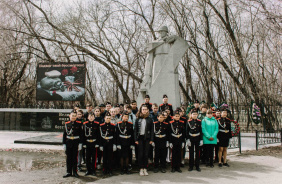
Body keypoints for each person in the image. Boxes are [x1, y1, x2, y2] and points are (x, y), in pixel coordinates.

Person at [134, 104, 154, 176]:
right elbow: (135, 130)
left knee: (146, 154)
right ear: (141, 110)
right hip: (140, 138)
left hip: (147, 138)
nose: (144, 111)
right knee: (140, 154)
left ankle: (145, 168)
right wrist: (135, 139)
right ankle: (141, 168)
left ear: (148, 110)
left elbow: (152, 130)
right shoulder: (138, 119)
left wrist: (151, 139)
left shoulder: (150, 119)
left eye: (146, 109)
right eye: (143, 109)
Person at [62, 110, 83, 178]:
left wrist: (80, 144)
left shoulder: (79, 124)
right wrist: (64, 144)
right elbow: (64, 134)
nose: (73, 117)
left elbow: (81, 135)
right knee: (68, 158)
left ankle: (75, 172)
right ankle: (68, 172)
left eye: (74, 116)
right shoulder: (66, 123)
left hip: (75, 142)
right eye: (72, 116)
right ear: (69, 116)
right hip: (68, 142)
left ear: (76, 116)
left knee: (74, 158)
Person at [99, 112, 117, 176]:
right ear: (104, 118)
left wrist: (114, 144)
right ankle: (104, 169)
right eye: (107, 118)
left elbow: (115, 136)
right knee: (104, 157)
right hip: (104, 143)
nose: (108, 119)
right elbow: (100, 137)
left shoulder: (113, 126)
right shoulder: (101, 126)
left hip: (110, 143)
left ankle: (110, 169)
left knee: (110, 157)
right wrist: (100, 145)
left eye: (109, 118)